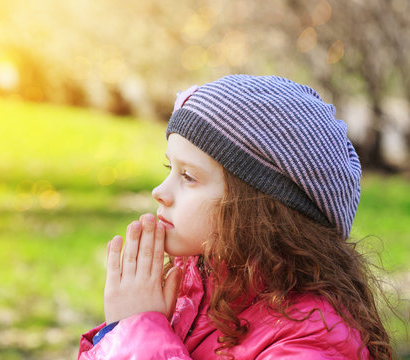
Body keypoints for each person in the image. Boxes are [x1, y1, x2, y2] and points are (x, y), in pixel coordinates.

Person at [77, 75, 392, 359]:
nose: (160, 191)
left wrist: (137, 334)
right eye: (168, 169)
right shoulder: (193, 293)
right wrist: (126, 328)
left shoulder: (314, 337)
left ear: (262, 208)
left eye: (188, 176)